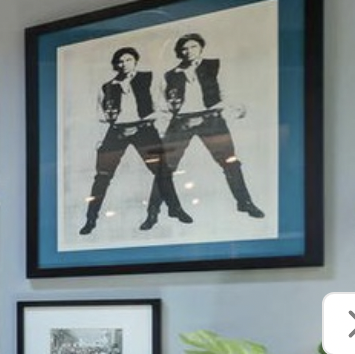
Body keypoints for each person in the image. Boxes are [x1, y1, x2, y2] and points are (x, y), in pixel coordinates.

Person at [79, 47, 190, 235]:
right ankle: (90, 219)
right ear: (116, 64)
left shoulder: (149, 78)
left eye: (128, 60)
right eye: (120, 61)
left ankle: (174, 209)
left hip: (144, 130)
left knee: (162, 171)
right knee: (102, 177)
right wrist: (101, 138)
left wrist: (158, 129)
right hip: (117, 131)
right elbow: (100, 115)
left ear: (136, 61)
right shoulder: (107, 86)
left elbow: (161, 106)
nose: (124, 64)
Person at [160, 33, 264, 219]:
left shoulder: (215, 65)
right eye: (184, 48)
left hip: (211, 118)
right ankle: (167, 208)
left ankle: (245, 202)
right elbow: (163, 104)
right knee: (166, 166)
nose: (188, 51)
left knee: (230, 161)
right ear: (179, 52)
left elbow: (226, 91)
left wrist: (232, 109)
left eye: (193, 47)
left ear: (201, 48)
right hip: (182, 121)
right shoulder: (170, 75)